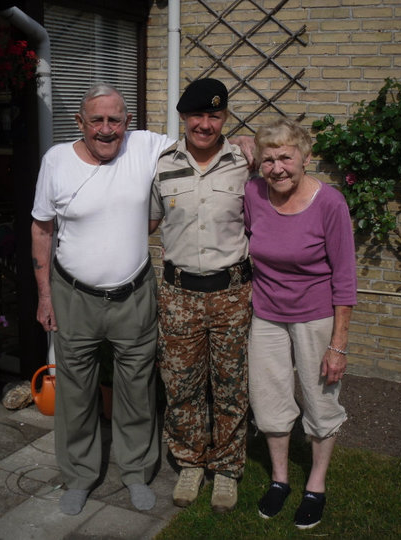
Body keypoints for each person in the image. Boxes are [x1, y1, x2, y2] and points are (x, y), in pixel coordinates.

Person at [31, 83, 174, 515]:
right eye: (97, 120)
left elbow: (200, 144)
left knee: (137, 389)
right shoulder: (55, 160)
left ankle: (135, 471)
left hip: (134, 294)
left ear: (128, 122)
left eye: (116, 120)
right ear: (81, 122)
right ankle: (78, 475)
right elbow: (41, 229)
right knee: (75, 391)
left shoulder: (146, 146)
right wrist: (44, 296)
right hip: (73, 295)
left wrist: (241, 141)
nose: (107, 129)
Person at [243, 118, 357, 529]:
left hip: (317, 317)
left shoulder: (330, 203)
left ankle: (316, 484)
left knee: (320, 399)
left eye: (286, 158)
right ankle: (279, 480)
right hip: (267, 316)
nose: (277, 168)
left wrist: (338, 344)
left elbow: (344, 277)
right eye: (268, 159)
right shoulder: (253, 193)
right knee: (268, 399)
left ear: (306, 159)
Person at [149, 78, 253, 513]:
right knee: (182, 384)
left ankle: (227, 468)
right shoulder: (161, 166)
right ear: (183, 118)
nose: (205, 124)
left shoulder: (246, 162)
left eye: (214, 116)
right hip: (178, 294)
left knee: (230, 385)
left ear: (224, 118)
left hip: (231, 294)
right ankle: (191, 461)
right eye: (197, 116)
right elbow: (147, 223)